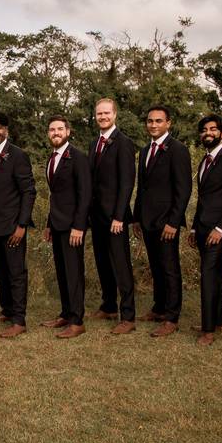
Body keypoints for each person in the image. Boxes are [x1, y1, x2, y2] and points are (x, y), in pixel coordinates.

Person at [186, 114, 222, 346]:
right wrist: (193, 229)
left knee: (209, 274)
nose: (207, 133)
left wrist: (221, 228)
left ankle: (208, 330)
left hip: (218, 229)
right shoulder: (205, 160)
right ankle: (221, 321)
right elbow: (203, 199)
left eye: (213, 129)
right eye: (204, 129)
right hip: (202, 227)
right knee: (218, 273)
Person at [133, 106, 192, 337]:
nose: (153, 125)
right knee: (155, 266)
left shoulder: (178, 150)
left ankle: (171, 316)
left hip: (167, 221)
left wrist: (174, 222)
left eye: (158, 121)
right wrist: (137, 217)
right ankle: (158, 308)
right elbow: (142, 187)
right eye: (150, 121)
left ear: (169, 123)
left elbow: (183, 190)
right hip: (147, 220)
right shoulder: (146, 149)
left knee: (169, 268)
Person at [0, 110, 36, 338]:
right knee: (1, 272)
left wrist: (22, 225)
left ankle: (19, 320)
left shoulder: (17, 155)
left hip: (13, 227)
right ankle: (7, 309)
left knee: (16, 273)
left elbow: (28, 191)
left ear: (6, 130)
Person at [87, 98, 138, 334]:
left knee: (120, 265)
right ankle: (108, 306)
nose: (103, 117)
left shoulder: (123, 143)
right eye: (99, 114)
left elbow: (127, 183)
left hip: (115, 217)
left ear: (115, 115)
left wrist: (119, 216)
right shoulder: (93, 143)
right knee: (103, 262)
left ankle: (128, 315)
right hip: (97, 216)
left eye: (107, 113)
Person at [41, 115, 91, 339]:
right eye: (52, 130)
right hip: (58, 223)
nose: (56, 133)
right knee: (61, 272)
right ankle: (66, 313)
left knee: (73, 273)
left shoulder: (78, 157)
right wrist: (49, 224)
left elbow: (85, 194)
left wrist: (79, 226)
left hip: (73, 227)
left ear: (68, 132)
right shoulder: (52, 158)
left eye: (60, 129)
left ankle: (77, 321)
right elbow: (56, 196)